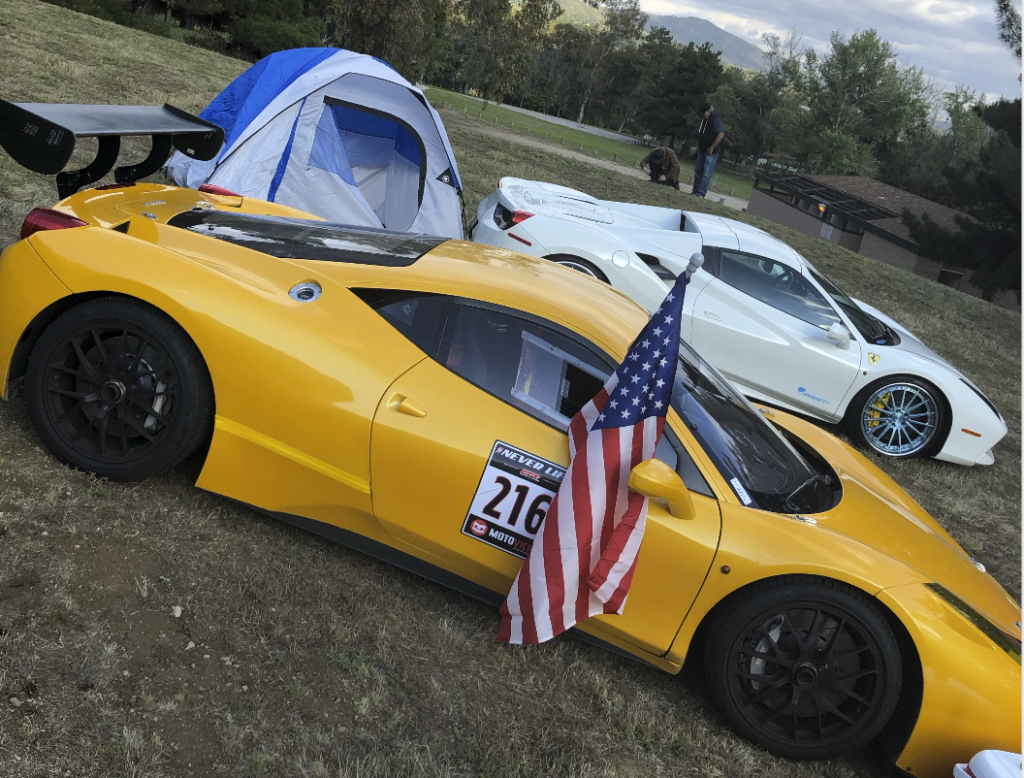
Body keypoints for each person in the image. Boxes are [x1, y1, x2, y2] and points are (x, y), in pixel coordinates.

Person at [691, 102, 725, 198]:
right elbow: (701, 135)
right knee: (698, 171)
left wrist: (712, 147)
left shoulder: (716, 119)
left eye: (703, 113)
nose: (702, 115)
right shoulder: (704, 120)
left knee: (706, 173)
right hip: (702, 149)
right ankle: (695, 191)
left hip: (711, 151)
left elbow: (720, 135)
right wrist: (697, 148)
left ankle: (701, 193)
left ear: (708, 111)